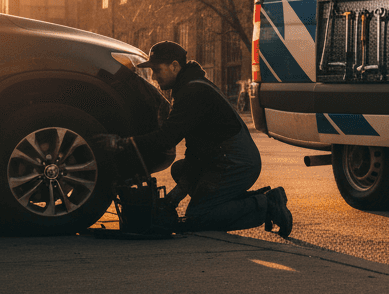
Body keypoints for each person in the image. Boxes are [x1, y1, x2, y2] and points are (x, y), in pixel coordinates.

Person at [107, 40, 291, 236]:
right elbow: (196, 149)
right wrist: (175, 196)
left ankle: (267, 204)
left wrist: (123, 143)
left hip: (237, 164)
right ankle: (229, 200)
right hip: (222, 159)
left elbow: (166, 138)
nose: (154, 77)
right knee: (180, 169)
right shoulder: (190, 86)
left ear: (175, 66)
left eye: (157, 70)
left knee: (199, 217)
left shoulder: (193, 92)